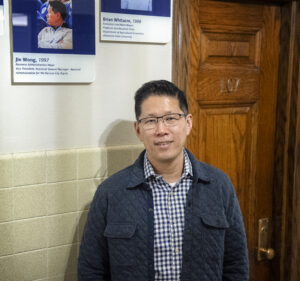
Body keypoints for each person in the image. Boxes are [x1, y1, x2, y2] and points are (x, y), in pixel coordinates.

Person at [78, 80, 249, 281]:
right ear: (138, 130)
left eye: (170, 118)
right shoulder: (110, 193)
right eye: (150, 121)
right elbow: (91, 269)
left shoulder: (219, 185)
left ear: (188, 123)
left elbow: (236, 264)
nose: (161, 130)